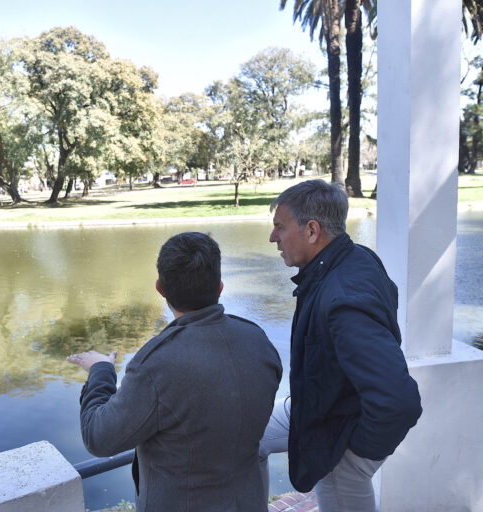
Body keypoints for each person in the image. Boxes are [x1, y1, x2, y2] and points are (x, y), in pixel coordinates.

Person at [67, 232, 282, 512]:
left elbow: (99, 438)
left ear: (160, 289)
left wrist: (101, 370)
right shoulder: (258, 340)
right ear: (219, 287)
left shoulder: (157, 364)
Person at [260, 180, 422, 511]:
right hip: (319, 408)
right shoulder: (352, 257)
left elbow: (398, 401)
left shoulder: (342, 299)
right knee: (248, 434)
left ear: (312, 231)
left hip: (339, 434)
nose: (273, 237)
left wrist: (353, 460)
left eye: (280, 226)